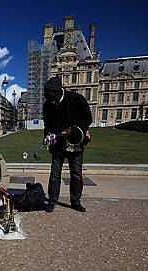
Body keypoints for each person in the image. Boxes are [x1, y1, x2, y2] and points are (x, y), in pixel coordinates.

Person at [43, 75, 92, 213]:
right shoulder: (47, 105)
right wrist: (47, 136)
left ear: (57, 91)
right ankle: (52, 201)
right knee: (55, 173)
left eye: (48, 93)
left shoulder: (76, 99)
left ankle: (75, 201)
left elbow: (88, 118)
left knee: (76, 173)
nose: (46, 96)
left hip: (75, 141)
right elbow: (48, 125)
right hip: (57, 144)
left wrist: (76, 127)